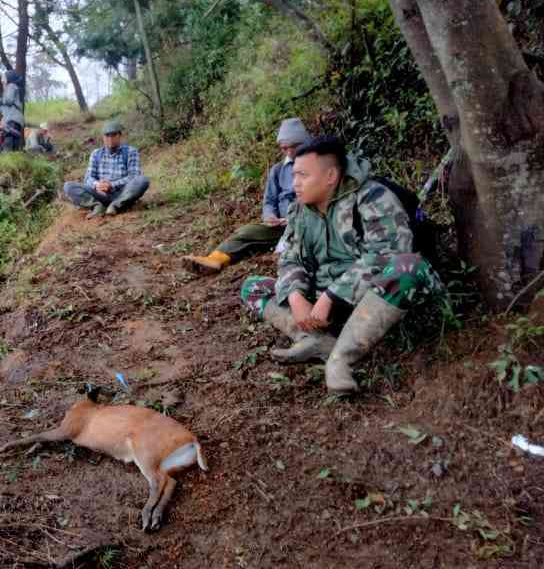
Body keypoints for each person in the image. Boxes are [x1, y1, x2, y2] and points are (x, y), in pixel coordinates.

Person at [238, 136, 442, 393]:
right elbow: (291, 257)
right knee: (253, 287)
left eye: (303, 175)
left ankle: (340, 359)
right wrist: (295, 296)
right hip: (328, 299)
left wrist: (331, 296)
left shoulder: (372, 196)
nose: (294, 183)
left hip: (376, 297)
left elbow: (389, 252)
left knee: (408, 267)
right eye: (294, 175)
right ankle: (315, 339)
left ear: (331, 176)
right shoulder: (299, 209)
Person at [181, 118, 311, 273]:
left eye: (294, 146)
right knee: (246, 232)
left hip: (307, 224)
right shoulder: (277, 170)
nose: (289, 152)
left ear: (305, 143)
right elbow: (269, 201)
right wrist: (270, 216)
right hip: (280, 226)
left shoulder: (317, 165)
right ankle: (214, 259)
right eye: (284, 148)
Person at [63, 120, 150, 219]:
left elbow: (134, 176)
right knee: (68, 186)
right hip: (100, 194)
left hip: (122, 193)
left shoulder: (130, 152)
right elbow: (88, 178)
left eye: (113, 135)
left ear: (120, 136)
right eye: (107, 135)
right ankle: (97, 206)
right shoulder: (96, 154)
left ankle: (116, 205)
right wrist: (97, 184)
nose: (110, 138)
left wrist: (111, 185)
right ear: (103, 137)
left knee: (142, 180)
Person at [0, 70, 25, 151]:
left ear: (9, 78)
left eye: (3, 77)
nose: (2, 80)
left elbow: (9, 100)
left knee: (8, 142)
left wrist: (0, 100)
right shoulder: (14, 87)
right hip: (16, 120)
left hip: (11, 119)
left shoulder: (11, 86)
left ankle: (8, 157)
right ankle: (14, 157)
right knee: (15, 145)